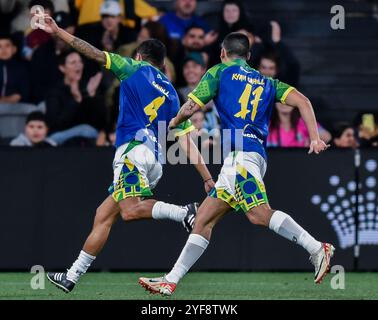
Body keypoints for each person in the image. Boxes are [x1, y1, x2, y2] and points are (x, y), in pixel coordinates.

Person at [139, 33, 335, 296]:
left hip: (240, 158)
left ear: (222, 52)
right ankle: (170, 280)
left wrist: (172, 123)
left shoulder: (219, 72)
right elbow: (303, 101)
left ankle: (315, 247)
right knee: (203, 221)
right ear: (249, 57)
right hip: (250, 157)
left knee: (258, 214)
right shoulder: (266, 81)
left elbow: (190, 107)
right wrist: (314, 138)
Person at [36, 14, 214, 293]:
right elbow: (186, 142)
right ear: (163, 64)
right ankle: (72, 275)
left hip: (132, 152)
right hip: (154, 160)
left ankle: (185, 212)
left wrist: (58, 32)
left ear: (141, 56)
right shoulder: (171, 94)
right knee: (104, 215)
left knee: (129, 211)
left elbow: (93, 53)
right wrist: (206, 177)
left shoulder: (132, 68)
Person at [45, 50, 106, 145]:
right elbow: (55, 124)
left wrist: (92, 95)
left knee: (87, 130)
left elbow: (100, 122)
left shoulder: (88, 87)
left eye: (80, 62)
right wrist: (75, 100)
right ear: (62, 68)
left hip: (86, 141)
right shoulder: (55, 91)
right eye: (73, 62)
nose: (78, 65)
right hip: (60, 138)